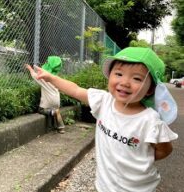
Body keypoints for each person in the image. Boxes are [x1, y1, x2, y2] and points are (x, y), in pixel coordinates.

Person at [26, 47, 178, 192]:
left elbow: (165, 150)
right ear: (110, 75)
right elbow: (76, 90)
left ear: (150, 89)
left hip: (137, 188)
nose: (124, 82)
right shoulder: (103, 101)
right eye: (119, 74)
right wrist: (51, 77)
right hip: (105, 184)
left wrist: (139, 160)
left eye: (137, 78)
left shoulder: (150, 120)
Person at [26, 56, 65, 134]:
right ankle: (61, 128)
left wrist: (30, 69)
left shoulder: (45, 78)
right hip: (56, 100)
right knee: (55, 109)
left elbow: (35, 76)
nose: (45, 62)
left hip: (48, 101)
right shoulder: (56, 77)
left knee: (41, 110)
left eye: (47, 62)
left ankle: (53, 112)